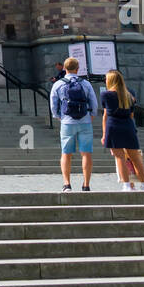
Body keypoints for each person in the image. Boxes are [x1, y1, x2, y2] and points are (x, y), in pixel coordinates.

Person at [49, 56, 99, 192]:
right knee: (86, 153)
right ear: (78, 69)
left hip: (67, 122)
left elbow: (53, 105)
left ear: (64, 68)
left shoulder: (58, 84)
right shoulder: (85, 83)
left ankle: (67, 184)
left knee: (66, 153)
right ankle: (86, 184)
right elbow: (93, 102)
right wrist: (92, 115)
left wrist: (58, 117)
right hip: (85, 121)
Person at [101, 69, 144, 191]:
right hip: (128, 125)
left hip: (113, 126)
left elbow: (105, 115)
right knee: (135, 157)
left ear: (110, 80)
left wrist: (104, 133)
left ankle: (127, 185)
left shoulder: (106, 95)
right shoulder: (129, 95)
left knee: (120, 158)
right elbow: (132, 115)